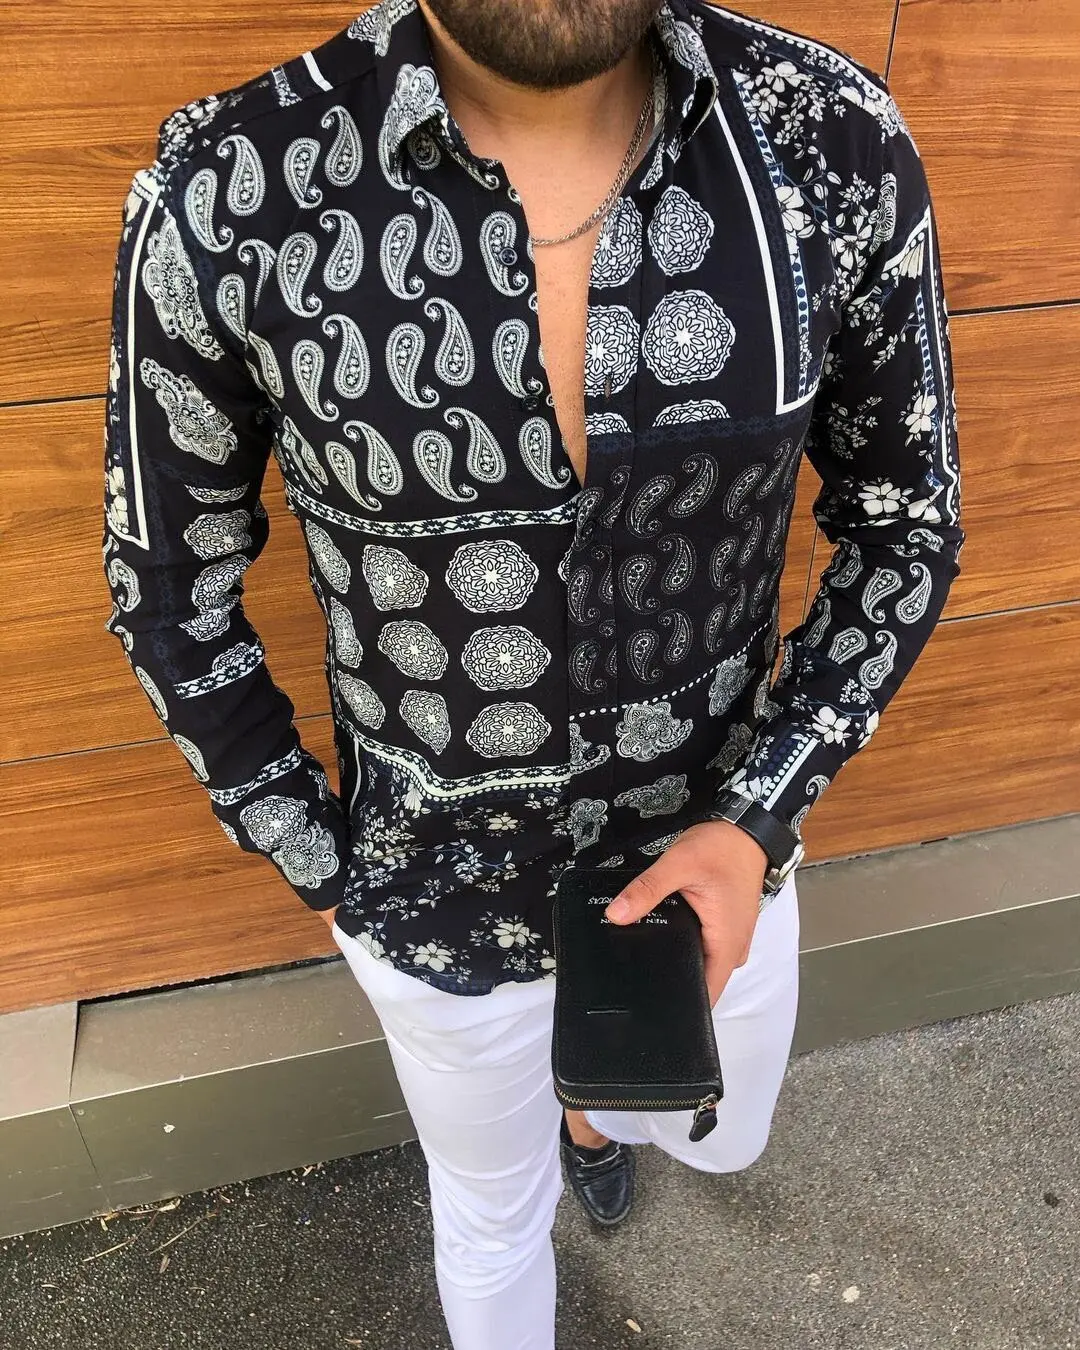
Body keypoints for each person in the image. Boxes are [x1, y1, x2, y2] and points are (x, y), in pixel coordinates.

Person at [101, 0, 963, 1344]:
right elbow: (167, 584)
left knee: (718, 1132)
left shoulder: (826, 140)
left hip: (716, 864)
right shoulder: (228, 194)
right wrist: (333, 868)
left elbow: (905, 522)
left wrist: (761, 815)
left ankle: (594, 1115)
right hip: (433, 907)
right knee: (489, 1216)